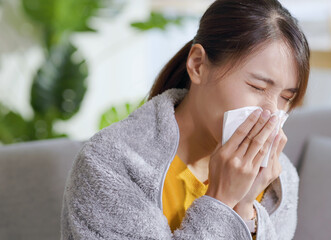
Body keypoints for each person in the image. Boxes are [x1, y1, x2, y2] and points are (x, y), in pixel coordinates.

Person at [60, 0, 310, 239]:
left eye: (286, 98)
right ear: (198, 65)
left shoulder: (278, 179)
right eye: (257, 87)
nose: (270, 112)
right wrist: (221, 200)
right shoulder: (110, 165)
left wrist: (245, 207)